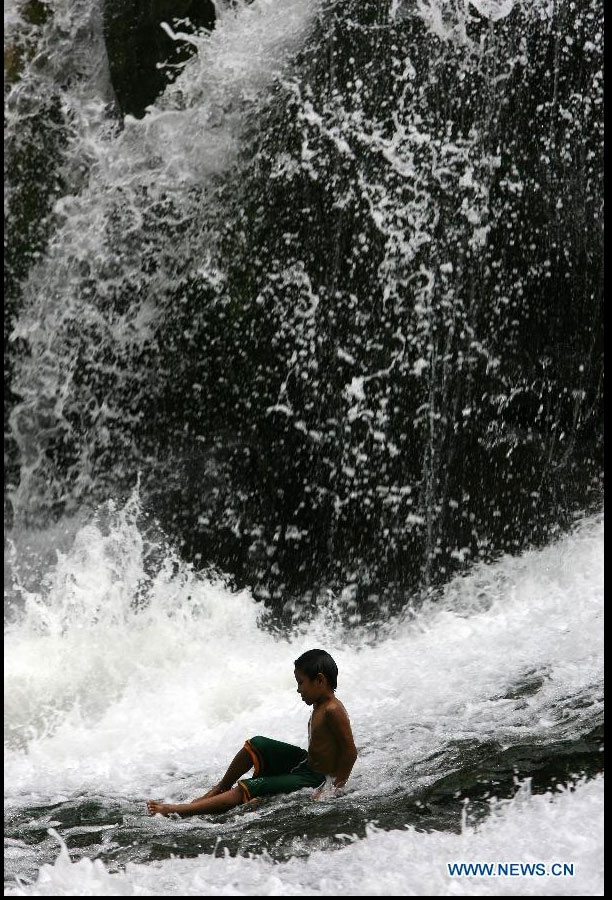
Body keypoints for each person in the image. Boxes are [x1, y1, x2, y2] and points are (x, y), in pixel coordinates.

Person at [146, 648, 357, 817]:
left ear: (320, 680)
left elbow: (350, 752)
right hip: (305, 764)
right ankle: (220, 788)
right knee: (257, 744)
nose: (298, 689)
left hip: (315, 778)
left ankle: (180, 810)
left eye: (301, 682)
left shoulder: (333, 709)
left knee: (251, 786)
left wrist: (334, 789)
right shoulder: (320, 704)